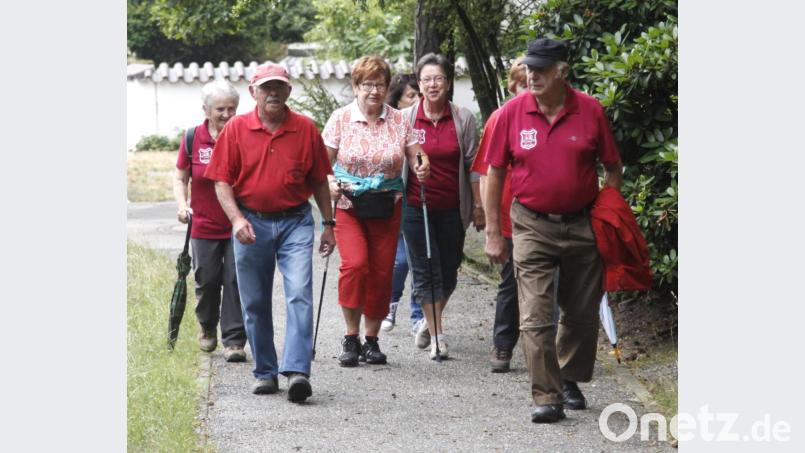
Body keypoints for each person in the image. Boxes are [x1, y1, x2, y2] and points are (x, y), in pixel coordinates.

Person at [484, 38, 623, 423]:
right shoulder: (511, 113)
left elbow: (613, 166)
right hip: (530, 224)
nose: (532, 75)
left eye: (542, 69)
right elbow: (494, 172)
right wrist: (494, 232)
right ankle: (547, 395)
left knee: (580, 313)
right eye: (529, 67)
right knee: (535, 316)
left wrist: (606, 213)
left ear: (562, 72)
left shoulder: (591, 111)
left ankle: (568, 375)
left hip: (582, 223)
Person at [204, 63, 336, 403]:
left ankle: (297, 371)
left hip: (296, 221)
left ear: (289, 91)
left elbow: (320, 179)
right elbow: (221, 180)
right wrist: (236, 220)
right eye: (266, 88)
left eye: (279, 87)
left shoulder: (306, 129)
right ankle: (265, 371)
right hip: (251, 221)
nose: (273, 93)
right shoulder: (235, 129)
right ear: (253, 92)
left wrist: (329, 225)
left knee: (299, 294)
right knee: (255, 301)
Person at [322, 56, 430, 367]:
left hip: (386, 205)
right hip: (349, 205)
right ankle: (350, 336)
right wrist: (329, 181)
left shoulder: (399, 120)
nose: (373, 91)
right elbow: (321, 163)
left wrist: (422, 166)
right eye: (367, 84)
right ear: (356, 87)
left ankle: (371, 340)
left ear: (386, 88)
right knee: (355, 266)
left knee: (383, 273)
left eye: (379, 85)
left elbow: (416, 154)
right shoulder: (340, 119)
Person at [402, 53, 482, 360]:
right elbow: (400, 159)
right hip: (415, 206)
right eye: (426, 79)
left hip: (452, 207)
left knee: (448, 273)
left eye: (438, 79)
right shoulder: (407, 118)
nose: (432, 84)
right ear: (419, 84)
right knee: (425, 273)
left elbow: (473, 166)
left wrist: (478, 206)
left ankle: (427, 321)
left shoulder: (463, 118)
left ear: (448, 83)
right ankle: (437, 336)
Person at [173, 80, 248, 362]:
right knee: (206, 279)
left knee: (235, 279)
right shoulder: (193, 137)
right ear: (206, 110)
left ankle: (234, 340)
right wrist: (182, 206)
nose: (227, 114)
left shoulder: (243, 135)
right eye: (220, 109)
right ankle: (206, 326)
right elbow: (181, 177)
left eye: (232, 108)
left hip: (237, 224)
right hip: (203, 225)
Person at [471, 59, 527, 373]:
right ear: (512, 87)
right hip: (508, 214)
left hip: (545, 215)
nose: (528, 91)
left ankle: (554, 350)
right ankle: (503, 344)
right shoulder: (501, 117)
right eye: (522, 85)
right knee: (511, 282)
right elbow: (485, 172)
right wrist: (487, 219)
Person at [380, 73, 424, 335]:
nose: (417, 100)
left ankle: (418, 314)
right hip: (392, 200)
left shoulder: (426, 124)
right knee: (399, 261)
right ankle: (390, 303)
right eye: (411, 96)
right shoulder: (391, 125)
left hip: (418, 203)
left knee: (417, 259)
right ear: (397, 101)